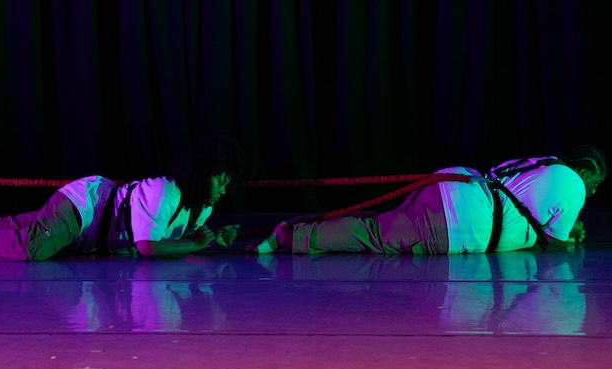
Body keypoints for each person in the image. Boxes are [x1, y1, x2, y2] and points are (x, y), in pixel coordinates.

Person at [0, 136, 248, 260]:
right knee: (31, 247)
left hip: (87, 226)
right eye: (221, 177)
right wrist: (198, 244)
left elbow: (178, 241)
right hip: (83, 207)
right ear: (203, 173)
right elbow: (148, 247)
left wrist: (210, 237)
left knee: (11, 227)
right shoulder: (165, 191)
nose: (223, 187)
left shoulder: (201, 209)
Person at [251, 145, 606, 255]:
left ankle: (302, 226)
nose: (593, 192)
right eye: (597, 183)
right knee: (374, 235)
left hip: (458, 188)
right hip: (458, 218)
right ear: (587, 172)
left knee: (380, 222)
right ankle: (290, 237)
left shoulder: (550, 164)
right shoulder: (574, 184)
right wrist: (571, 234)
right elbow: (554, 246)